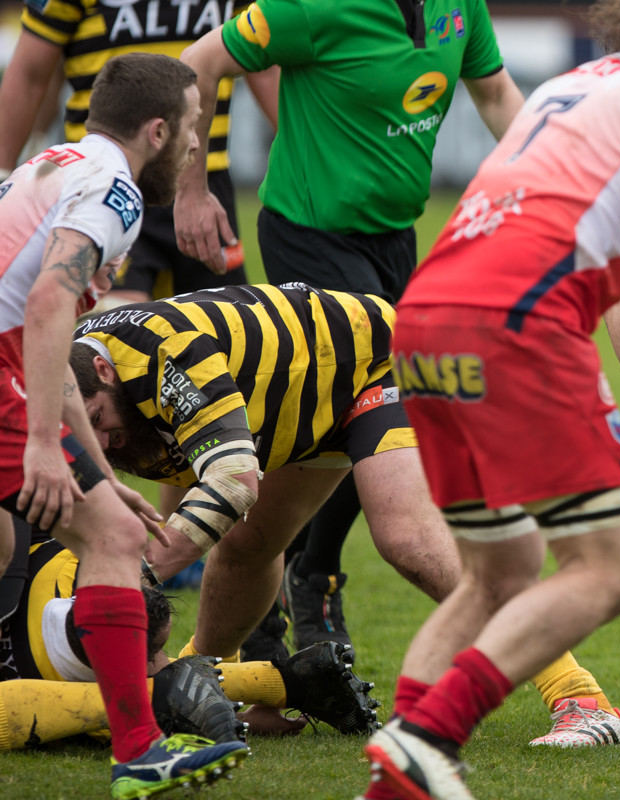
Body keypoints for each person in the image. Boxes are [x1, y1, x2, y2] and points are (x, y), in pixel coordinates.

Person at [364, 1, 620, 798]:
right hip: (514, 324)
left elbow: (610, 252)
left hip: (424, 318)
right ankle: (427, 734)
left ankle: (395, 780)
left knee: (501, 572)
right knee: (613, 569)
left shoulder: (577, 83)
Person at [70, 283, 620, 748]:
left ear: (106, 369)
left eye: (97, 417)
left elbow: (231, 481)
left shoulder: (168, 358)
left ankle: (582, 699)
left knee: (409, 540)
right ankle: (216, 689)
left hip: (372, 362)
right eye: (80, 428)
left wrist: (125, 580)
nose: (97, 438)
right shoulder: (57, 389)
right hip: (289, 408)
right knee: (247, 547)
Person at [174, 0, 526, 658]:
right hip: (309, 235)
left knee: (361, 417)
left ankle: (294, 585)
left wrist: (560, 180)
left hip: (394, 241)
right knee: (368, 412)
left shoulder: (461, 7)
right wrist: (192, 189)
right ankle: (305, 585)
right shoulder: (314, 5)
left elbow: (499, 94)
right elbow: (200, 61)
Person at [0, 51, 248, 798]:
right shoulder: (115, 191)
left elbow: (55, 341)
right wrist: (45, 443)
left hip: (13, 362)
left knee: (35, 537)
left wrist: (103, 476)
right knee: (112, 540)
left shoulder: (54, 164)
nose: (198, 144)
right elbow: (47, 307)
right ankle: (139, 750)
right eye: (195, 126)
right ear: (159, 129)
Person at [0, 0, 277, 306]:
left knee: (221, 325)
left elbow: (261, 65)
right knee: (113, 328)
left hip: (205, 179)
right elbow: (29, 74)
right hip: (105, 178)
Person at [0, 530, 382, 749]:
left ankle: (169, 694)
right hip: (61, 571)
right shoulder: (78, 553)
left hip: (42, 654)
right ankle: (287, 679)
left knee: (150, 690)